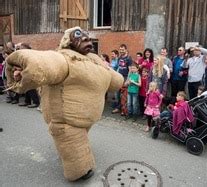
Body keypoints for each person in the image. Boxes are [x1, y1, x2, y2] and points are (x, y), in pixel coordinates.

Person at [5, 26, 123, 181]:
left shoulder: (95, 60)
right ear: (69, 42)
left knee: (78, 139)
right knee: (75, 150)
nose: (87, 40)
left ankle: (68, 153)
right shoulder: (65, 58)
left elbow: (114, 80)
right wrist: (22, 66)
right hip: (67, 121)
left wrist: (117, 77)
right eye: (81, 38)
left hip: (86, 118)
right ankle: (81, 172)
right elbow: (44, 64)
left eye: (88, 37)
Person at [16, 43, 40, 108]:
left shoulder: (30, 53)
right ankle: (27, 101)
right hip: (25, 71)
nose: (20, 49)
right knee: (26, 87)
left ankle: (36, 102)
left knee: (31, 87)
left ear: (25, 47)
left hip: (31, 71)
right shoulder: (24, 54)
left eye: (21, 47)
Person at [112, 44, 133, 114]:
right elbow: (118, 67)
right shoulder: (119, 58)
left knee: (123, 94)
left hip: (125, 77)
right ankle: (118, 107)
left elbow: (130, 70)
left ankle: (123, 109)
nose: (121, 51)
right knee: (116, 93)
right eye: (120, 49)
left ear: (126, 50)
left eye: (122, 50)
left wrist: (128, 79)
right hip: (119, 77)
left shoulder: (129, 58)